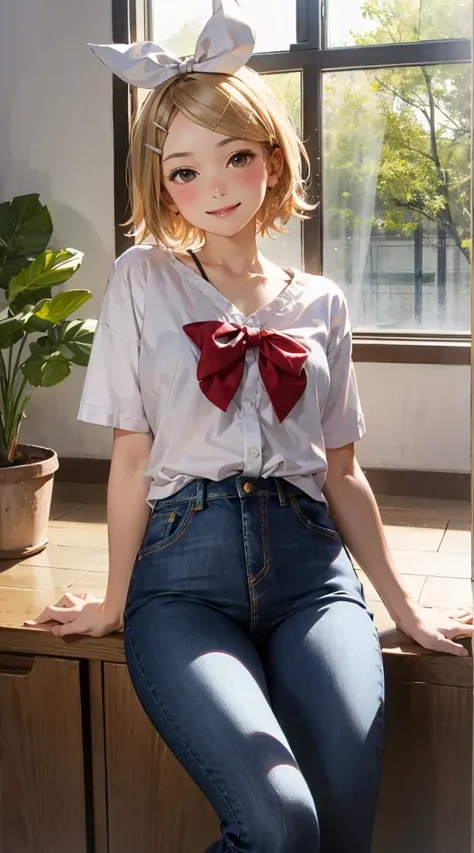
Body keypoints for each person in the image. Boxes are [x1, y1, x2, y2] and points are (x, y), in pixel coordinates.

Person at [27, 2, 474, 851]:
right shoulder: (142, 279)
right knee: (279, 824)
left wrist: (405, 605)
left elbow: (342, 471)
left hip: (312, 576)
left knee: (341, 829)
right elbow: (130, 456)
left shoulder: (322, 303)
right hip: (182, 579)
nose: (215, 188)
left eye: (235, 157)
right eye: (184, 171)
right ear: (159, 181)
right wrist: (116, 600)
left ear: (273, 157)